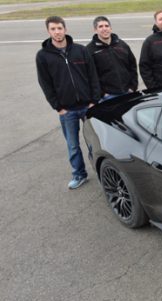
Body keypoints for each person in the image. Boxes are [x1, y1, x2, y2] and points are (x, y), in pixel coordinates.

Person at [36, 16, 100, 189]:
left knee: (95, 143)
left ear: (65, 29)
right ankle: (79, 174)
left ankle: (102, 173)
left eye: (59, 28)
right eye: (53, 29)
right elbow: (45, 84)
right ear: (48, 31)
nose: (57, 32)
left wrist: (94, 101)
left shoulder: (80, 50)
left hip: (88, 107)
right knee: (73, 146)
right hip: (67, 110)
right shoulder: (43, 56)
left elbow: (92, 76)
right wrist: (58, 107)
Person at [86, 16, 138, 100]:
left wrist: (133, 87)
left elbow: (132, 66)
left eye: (107, 26)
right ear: (95, 30)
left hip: (127, 92)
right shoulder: (90, 50)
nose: (104, 29)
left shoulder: (122, 44)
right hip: (108, 96)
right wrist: (102, 94)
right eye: (100, 26)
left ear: (111, 28)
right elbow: (89, 75)